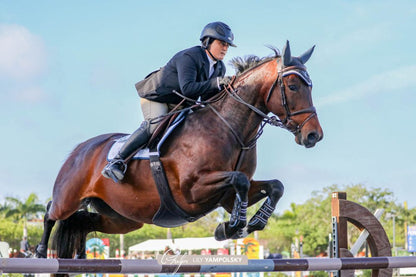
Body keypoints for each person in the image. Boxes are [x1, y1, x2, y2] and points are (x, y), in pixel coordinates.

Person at [102, 21, 236, 183]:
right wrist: (216, 83)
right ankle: (117, 161)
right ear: (208, 41)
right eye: (222, 43)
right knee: (155, 125)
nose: (225, 48)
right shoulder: (190, 57)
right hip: (157, 96)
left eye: (227, 45)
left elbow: (208, 98)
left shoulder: (219, 67)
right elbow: (188, 88)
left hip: (179, 103)